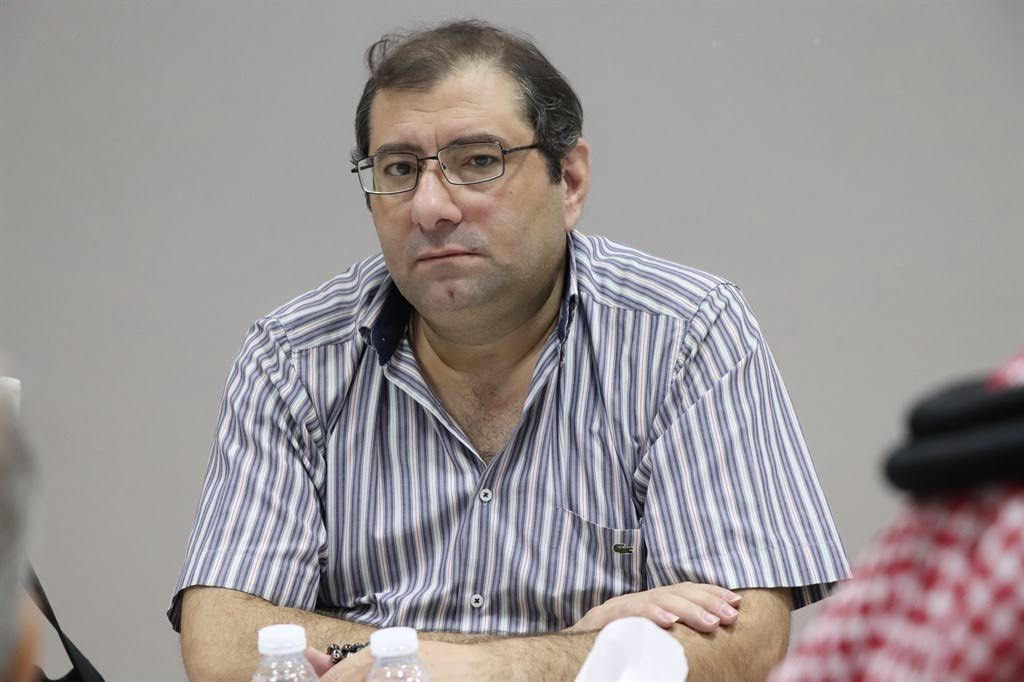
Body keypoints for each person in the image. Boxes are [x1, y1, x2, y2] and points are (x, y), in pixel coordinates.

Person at [171, 20, 849, 681]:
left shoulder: (684, 333)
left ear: (570, 180)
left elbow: (747, 647)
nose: (431, 207)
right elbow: (222, 643)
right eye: (399, 169)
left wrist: (451, 665)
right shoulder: (292, 356)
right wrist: (578, 652)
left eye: (478, 162)